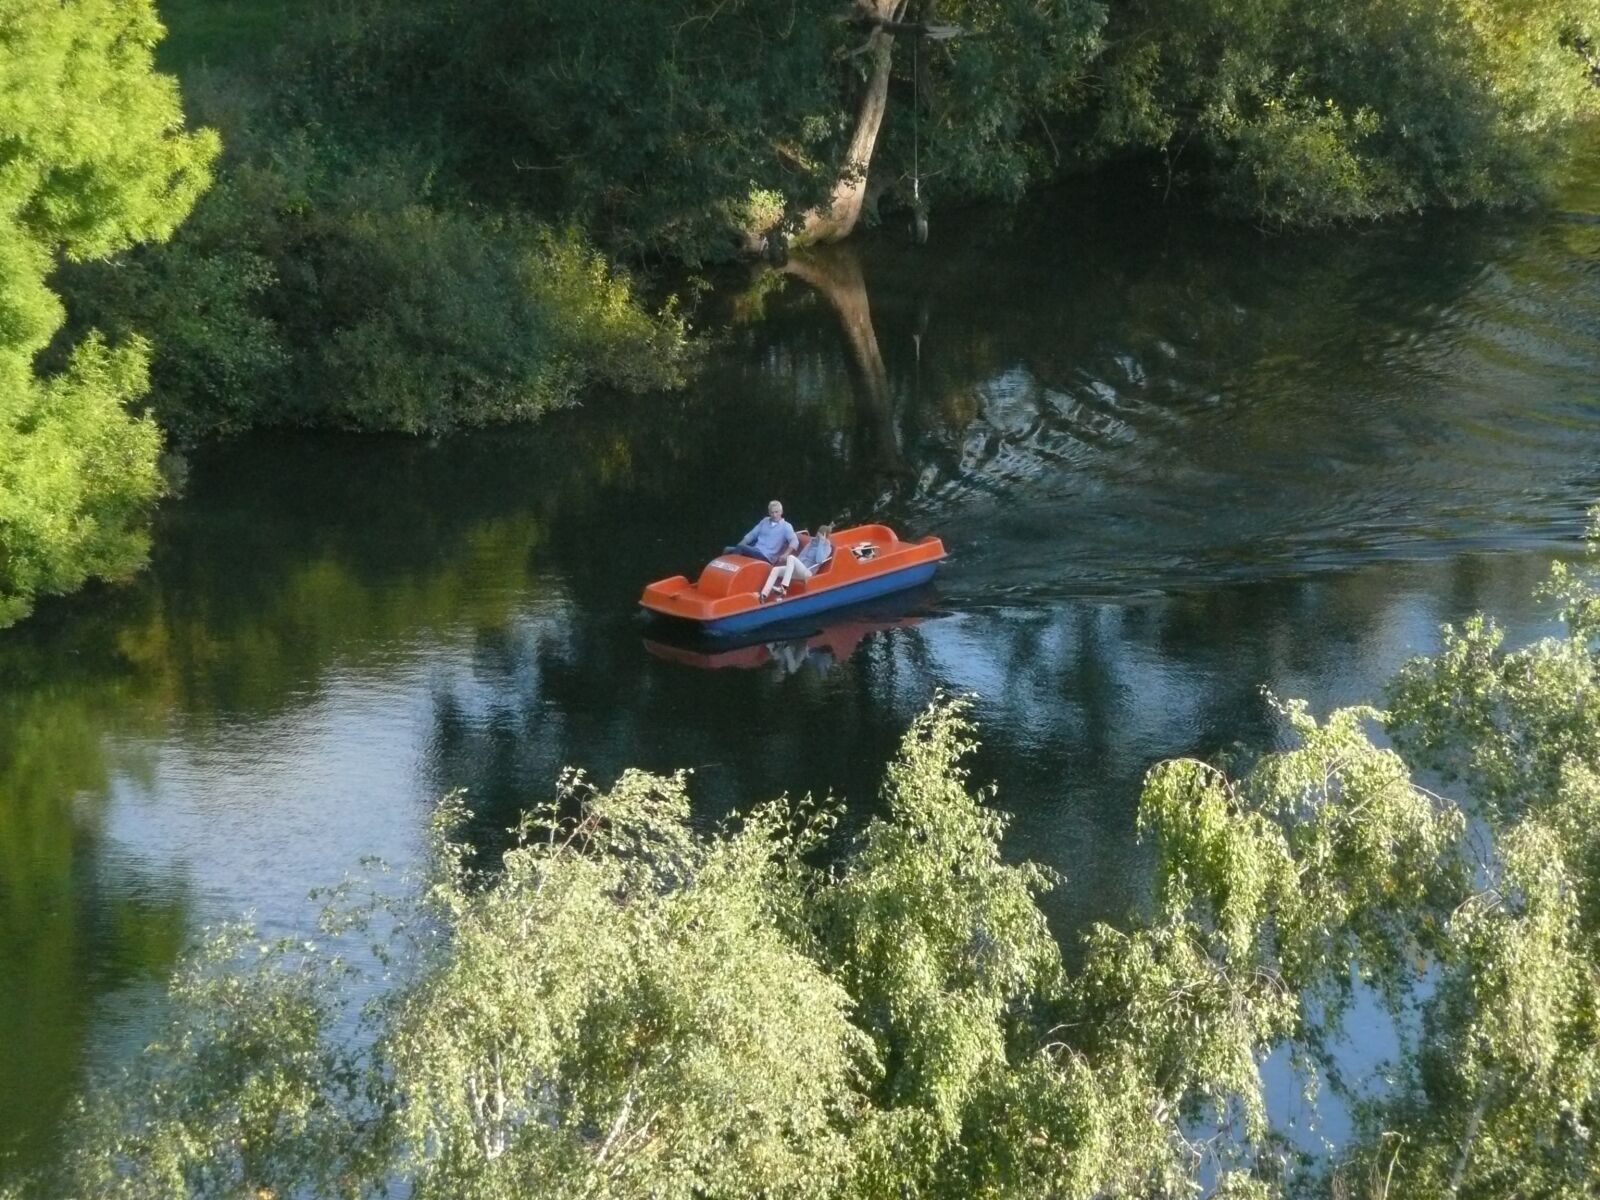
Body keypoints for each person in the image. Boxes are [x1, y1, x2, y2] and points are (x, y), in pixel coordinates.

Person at [760, 523, 833, 602]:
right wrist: (792, 566)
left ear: (826, 536)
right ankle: (764, 595)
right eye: (818, 534)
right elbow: (801, 556)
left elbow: (819, 560)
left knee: (791, 557)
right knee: (776, 569)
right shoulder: (811, 543)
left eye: (821, 535)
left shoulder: (827, 547)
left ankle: (783, 588)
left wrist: (821, 543)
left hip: (808, 572)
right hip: (800, 569)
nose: (818, 537)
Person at [726, 500, 798, 564]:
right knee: (727, 549)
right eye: (772, 512)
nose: (774, 515)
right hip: (756, 551)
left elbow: (794, 541)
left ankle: (732, 569)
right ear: (769, 512)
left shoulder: (786, 526)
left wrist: (785, 554)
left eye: (776, 512)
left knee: (741, 548)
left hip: (767, 556)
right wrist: (741, 543)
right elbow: (752, 534)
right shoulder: (765, 521)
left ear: (781, 512)